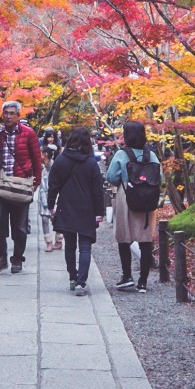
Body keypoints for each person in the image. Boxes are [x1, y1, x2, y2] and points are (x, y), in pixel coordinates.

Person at [0, 99, 43, 274]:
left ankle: (17, 258)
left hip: (21, 184)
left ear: (18, 116)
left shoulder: (28, 134)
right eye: (5, 113)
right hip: (1, 184)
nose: (8, 116)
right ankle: (0, 258)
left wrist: (36, 182)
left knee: (20, 226)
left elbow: (37, 160)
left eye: (12, 113)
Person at [103, 119, 165, 291]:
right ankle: (143, 282)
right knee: (145, 240)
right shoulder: (151, 155)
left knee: (124, 238)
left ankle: (127, 276)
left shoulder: (122, 155)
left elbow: (111, 177)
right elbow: (159, 177)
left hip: (127, 197)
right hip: (148, 200)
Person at [46, 126, 104, 294]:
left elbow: (53, 186)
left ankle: (72, 277)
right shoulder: (91, 162)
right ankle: (81, 282)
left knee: (70, 246)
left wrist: (51, 206)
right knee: (85, 247)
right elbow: (98, 190)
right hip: (87, 208)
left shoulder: (61, 160)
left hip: (66, 207)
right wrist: (99, 212)